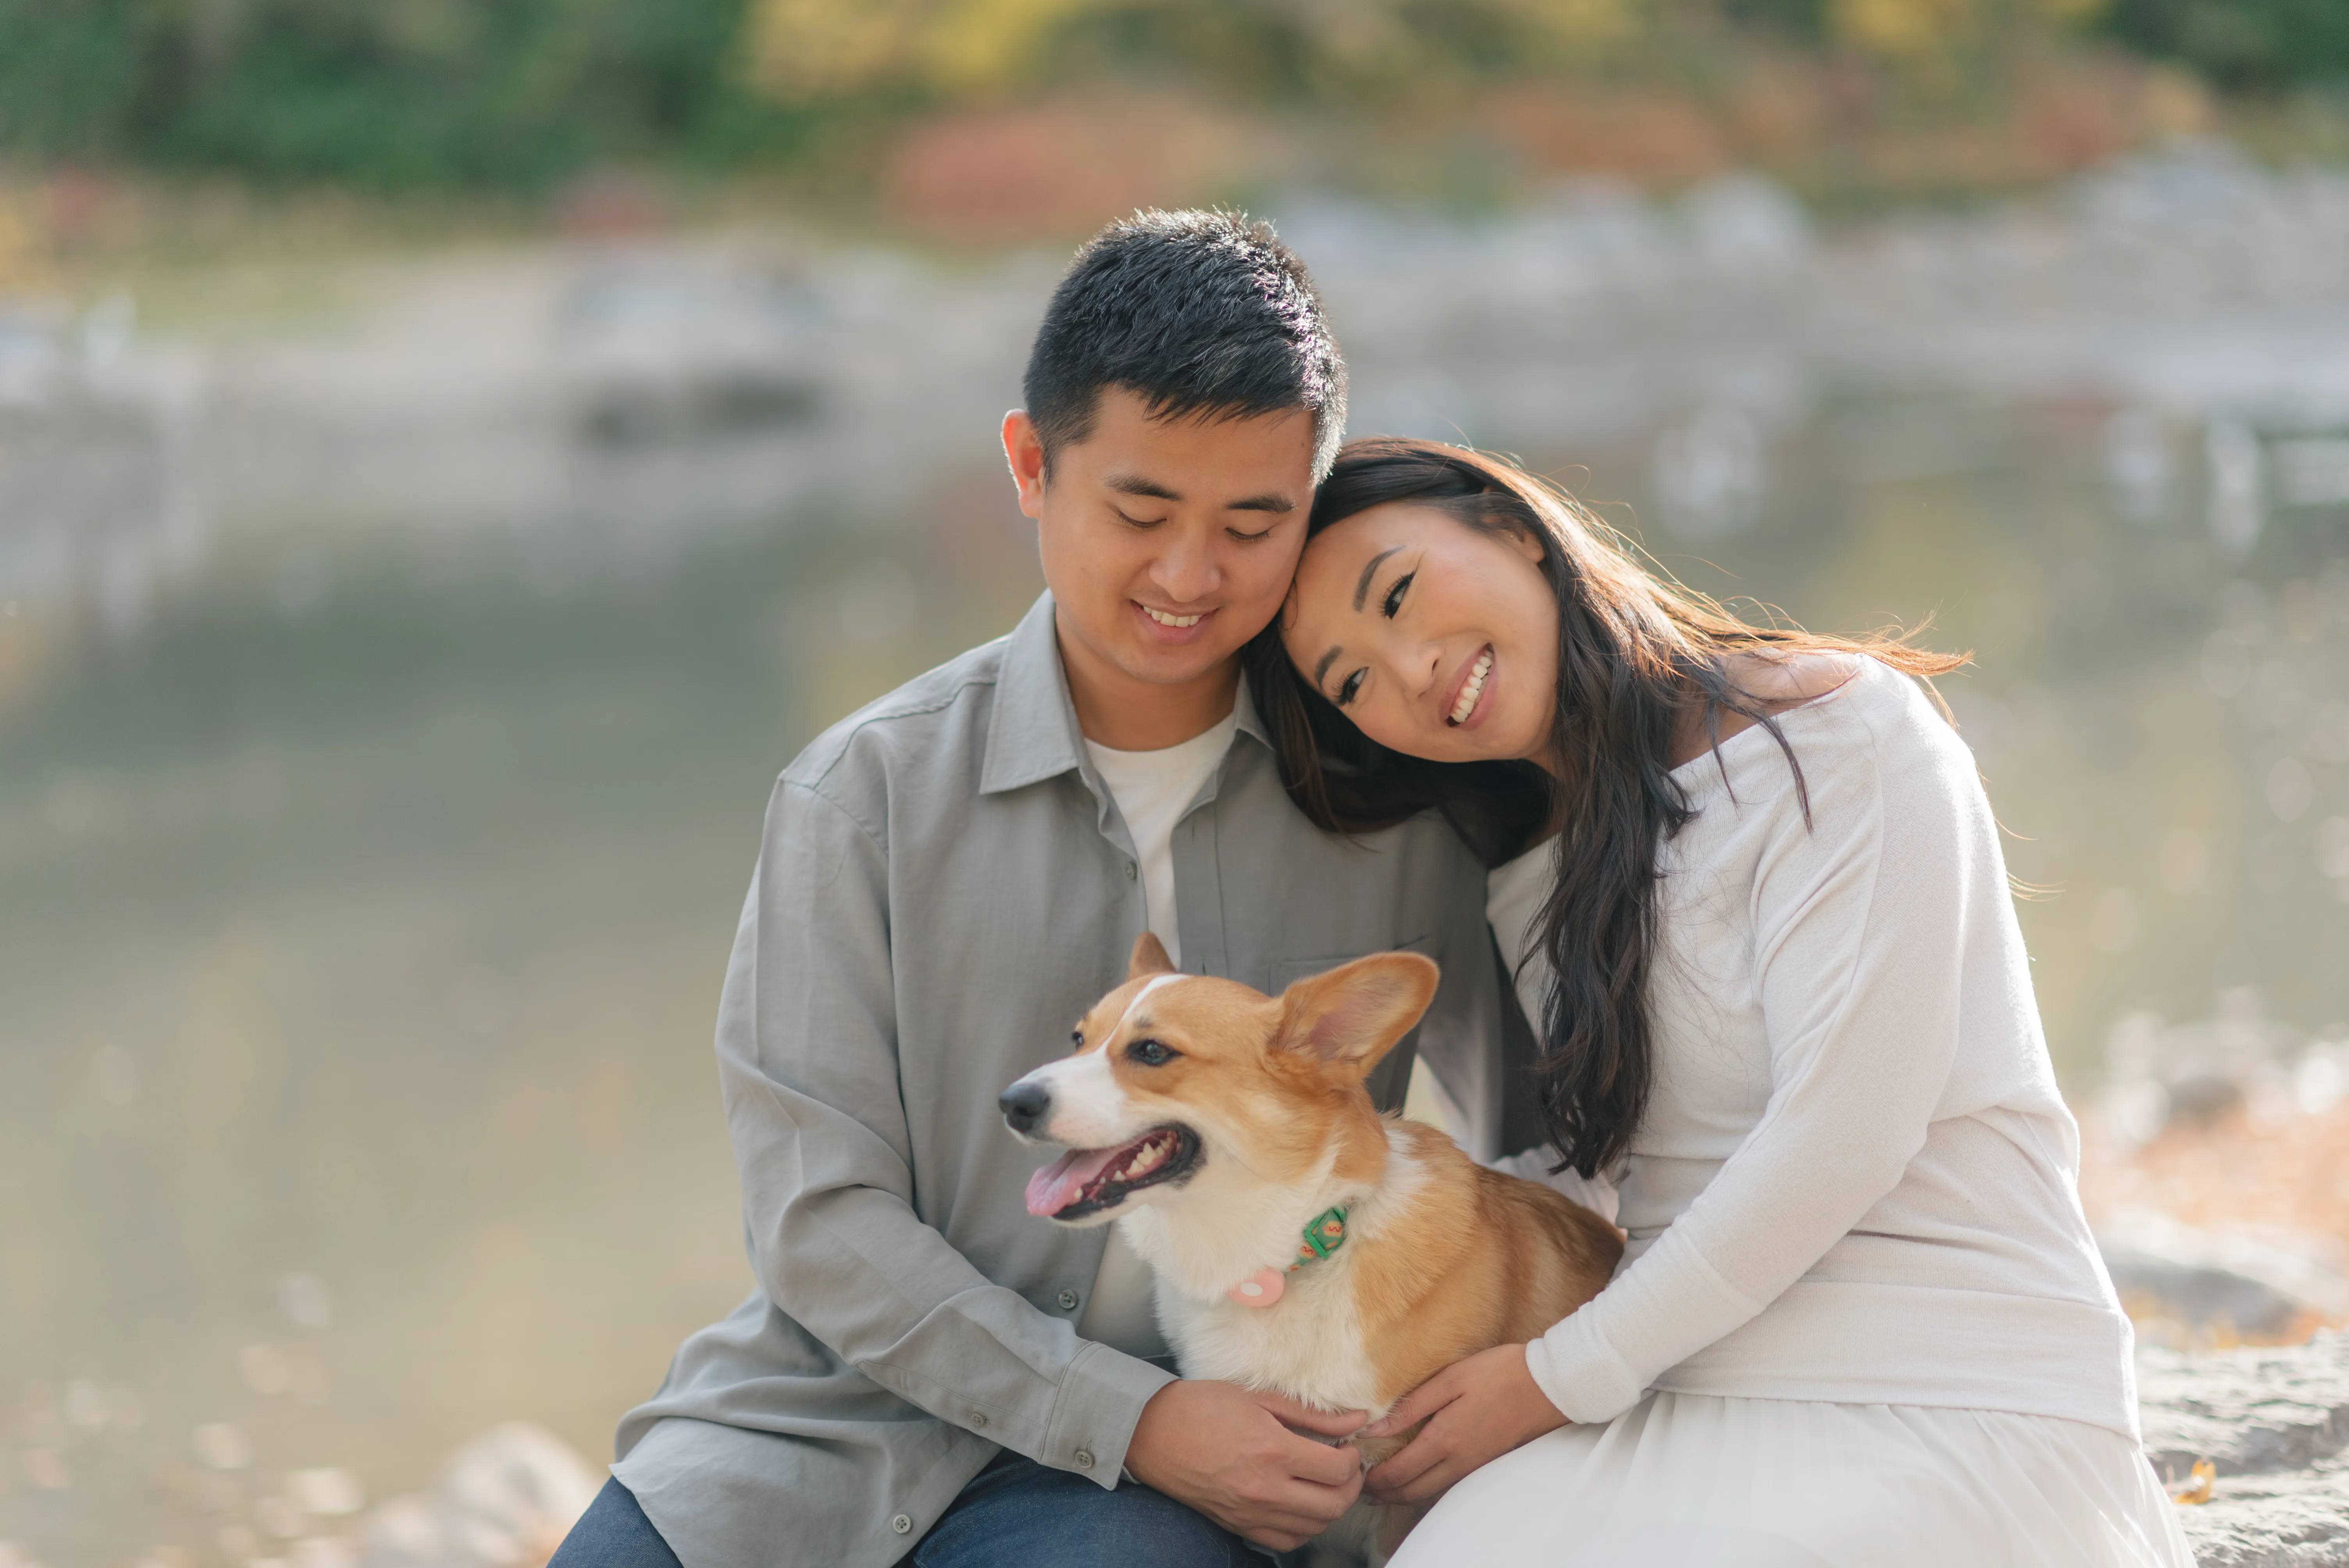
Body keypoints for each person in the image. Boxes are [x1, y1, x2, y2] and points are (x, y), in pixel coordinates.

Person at [545, 216, 1518, 1568]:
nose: (1191, 576)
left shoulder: (1407, 797)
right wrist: (1131, 1417)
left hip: (1186, 1480)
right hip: (825, 1424)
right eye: (1139, 512)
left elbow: (1535, 1145)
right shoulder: (860, 797)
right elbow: (821, 1229)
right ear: (1029, 465)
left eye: (1254, 524)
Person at [1257, 436, 2196, 1565]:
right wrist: (1328, 1229)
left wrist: (1556, 1378)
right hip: (1683, 1390)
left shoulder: (1841, 733)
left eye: (1399, 595)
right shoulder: (1533, 868)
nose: (1408, 673)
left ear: (1512, 528)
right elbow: (1599, 1170)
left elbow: (1845, 1130)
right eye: (1352, 680)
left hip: (1953, 1382)